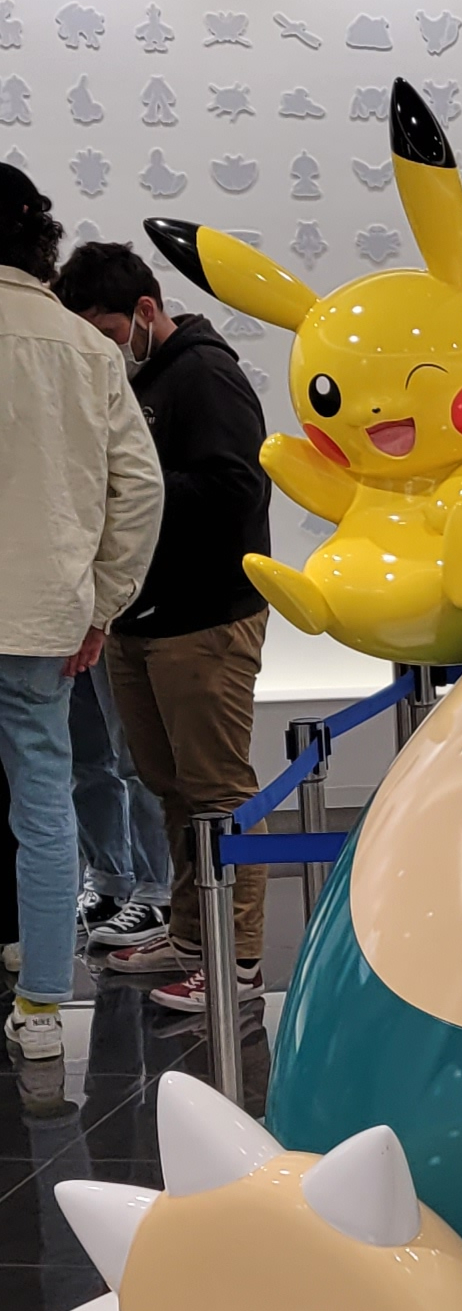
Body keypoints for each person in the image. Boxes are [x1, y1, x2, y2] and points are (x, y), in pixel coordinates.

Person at [58, 239, 272, 1019]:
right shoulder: (134, 381)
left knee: (217, 791)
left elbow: (237, 489)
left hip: (205, 619)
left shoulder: (205, 375)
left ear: (146, 311)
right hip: (139, 617)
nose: (105, 351)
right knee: (168, 786)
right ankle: (190, 935)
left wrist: (133, 487)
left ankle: (238, 959)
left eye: (109, 333)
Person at [0, 171, 164, 1062]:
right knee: (44, 803)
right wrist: (103, 605)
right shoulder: (85, 347)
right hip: (43, 617)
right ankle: (40, 1005)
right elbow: (139, 489)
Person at [69, 653, 171, 951]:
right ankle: (109, 888)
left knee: (137, 759)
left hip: (119, 632)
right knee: (86, 761)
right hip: (67, 630)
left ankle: (156, 895)